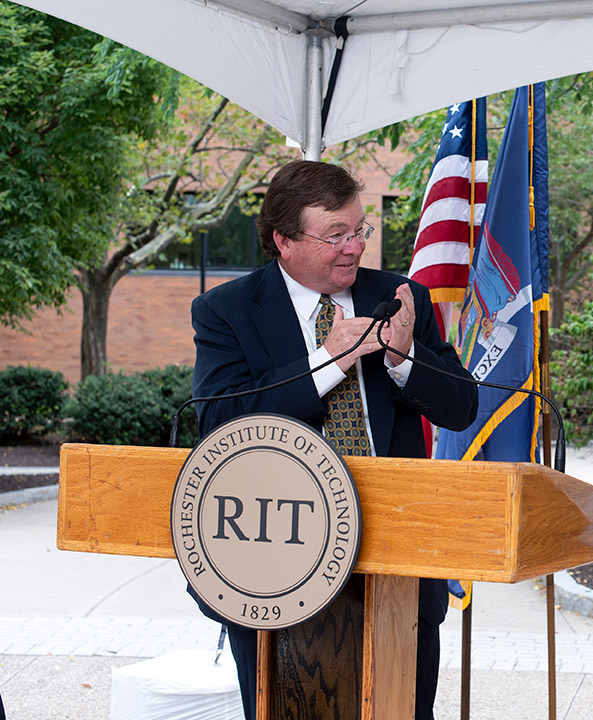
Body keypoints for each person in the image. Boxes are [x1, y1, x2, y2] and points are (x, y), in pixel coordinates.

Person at [189, 159, 478, 720]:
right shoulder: (226, 311)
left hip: (396, 556)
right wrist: (328, 361)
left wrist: (403, 359)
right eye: (336, 235)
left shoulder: (399, 295)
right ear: (283, 240)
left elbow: (462, 406)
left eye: (360, 230)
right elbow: (221, 424)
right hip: (278, 555)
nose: (354, 248)